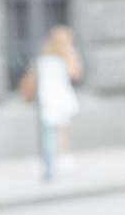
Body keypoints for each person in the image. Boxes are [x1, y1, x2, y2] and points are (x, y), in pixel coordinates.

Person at [18, 23, 85, 178]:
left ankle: (47, 158)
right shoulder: (64, 57)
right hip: (59, 96)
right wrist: (73, 53)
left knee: (47, 130)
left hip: (46, 97)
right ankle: (60, 157)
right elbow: (76, 73)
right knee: (60, 130)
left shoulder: (43, 57)